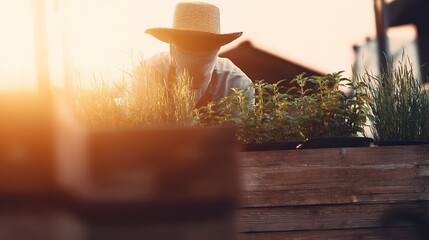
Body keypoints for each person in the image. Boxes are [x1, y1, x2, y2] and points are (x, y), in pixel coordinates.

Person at [144, 1, 254, 109]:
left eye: (204, 44)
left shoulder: (237, 85)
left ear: (218, 47)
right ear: (171, 46)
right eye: (186, 42)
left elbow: (240, 127)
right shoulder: (149, 73)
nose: (194, 54)